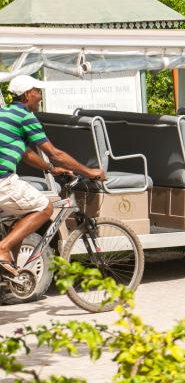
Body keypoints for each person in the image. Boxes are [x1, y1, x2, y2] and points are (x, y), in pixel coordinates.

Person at [0, 75, 105, 276]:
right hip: (3, 180)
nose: (40, 96)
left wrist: (50, 169)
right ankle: (4, 249)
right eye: (37, 92)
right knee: (45, 207)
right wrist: (90, 171)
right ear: (28, 94)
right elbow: (56, 154)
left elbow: (26, 153)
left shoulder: (5, 113)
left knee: (21, 216)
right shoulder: (25, 117)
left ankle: (9, 271)